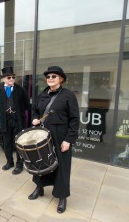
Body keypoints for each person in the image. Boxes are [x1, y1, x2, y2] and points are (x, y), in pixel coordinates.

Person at [29, 66, 79, 214]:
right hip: (42, 134)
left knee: (62, 166)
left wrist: (68, 140)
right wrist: (35, 119)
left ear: (61, 79)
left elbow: (74, 120)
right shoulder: (42, 94)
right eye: (48, 76)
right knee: (40, 163)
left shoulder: (68, 95)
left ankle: (62, 196)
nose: (50, 78)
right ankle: (39, 187)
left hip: (60, 136)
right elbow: (35, 111)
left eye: (54, 76)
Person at [0, 67, 29, 175]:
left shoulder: (20, 89)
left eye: (13, 77)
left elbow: (26, 104)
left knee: (18, 143)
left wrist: (16, 111)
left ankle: (19, 164)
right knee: (7, 143)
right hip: (5, 121)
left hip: (18, 120)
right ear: (3, 79)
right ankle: (9, 162)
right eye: (9, 77)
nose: (11, 79)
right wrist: (6, 113)